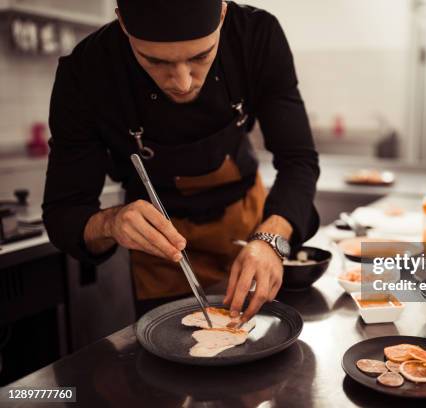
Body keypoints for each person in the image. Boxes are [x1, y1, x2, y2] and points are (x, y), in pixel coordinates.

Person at [42, 0, 319, 321]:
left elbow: (299, 160)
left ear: (223, 13)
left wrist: (271, 240)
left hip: (251, 228)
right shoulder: (86, 72)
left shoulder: (255, 35)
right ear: (122, 23)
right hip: (162, 256)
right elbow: (64, 214)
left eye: (201, 56)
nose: (183, 82)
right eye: (154, 61)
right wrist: (110, 223)